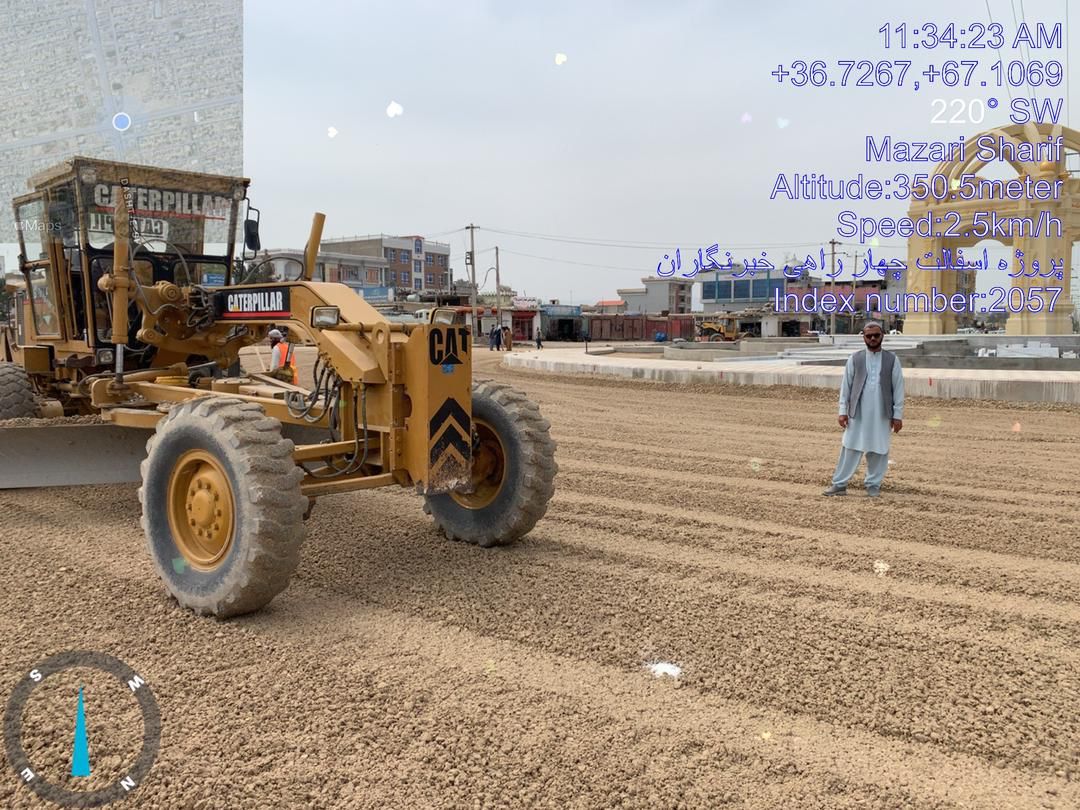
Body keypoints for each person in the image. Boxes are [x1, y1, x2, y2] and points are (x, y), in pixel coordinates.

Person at [823, 320, 904, 498]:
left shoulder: (892, 360)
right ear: (864, 338)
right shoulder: (855, 358)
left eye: (876, 335)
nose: (873, 339)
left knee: (879, 449)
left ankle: (873, 485)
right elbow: (846, 387)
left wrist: (897, 415)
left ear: (882, 336)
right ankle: (839, 484)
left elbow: (898, 389)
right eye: (869, 336)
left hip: (882, 414)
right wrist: (842, 411)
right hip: (857, 413)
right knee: (850, 446)